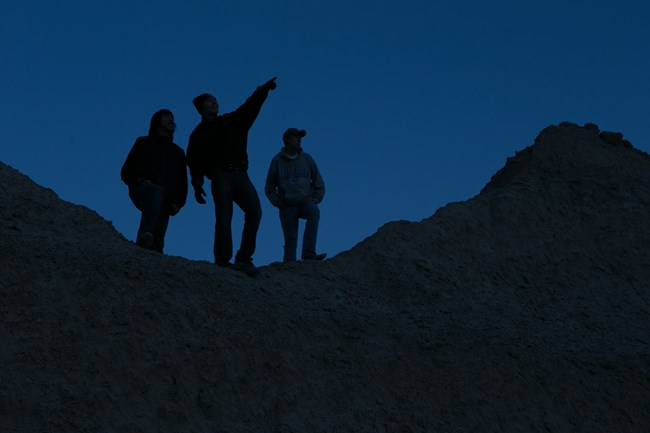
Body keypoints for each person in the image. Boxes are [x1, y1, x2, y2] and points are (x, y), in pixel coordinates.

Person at [187, 77, 277, 275]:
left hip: (241, 174)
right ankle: (222, 260)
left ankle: (244, 258)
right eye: (209, 101)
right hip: (220, 176)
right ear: (201, 109)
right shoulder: (198, 134)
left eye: (215, 100)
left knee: (255, 211)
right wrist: (197, 181)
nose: (214, 102)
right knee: (224, 217)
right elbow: (194, 160)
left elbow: (249, 107)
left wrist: (262, 90)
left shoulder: (232, 120)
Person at [121, 109, 188, 253]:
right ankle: (144, 234)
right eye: (166, 116)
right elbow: (126, 171)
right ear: (157, 121)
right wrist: (139, 180)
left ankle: (153, 256)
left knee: (158, 241)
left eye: (172, 116)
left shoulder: (178, 152)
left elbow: (183, 182)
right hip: (142, 189)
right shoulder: (143, 143)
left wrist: (178, 203)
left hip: (167, 199)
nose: (170, 119)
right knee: (156, 191)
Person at [265, 127, 326, 262]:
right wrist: (279, 202)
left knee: (314, 212)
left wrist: (316, 198)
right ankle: (289, 266)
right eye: (296, 136)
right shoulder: (277, 161)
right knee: (290, 240)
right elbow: (269, 187)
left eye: (300, 137)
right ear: (287, 139)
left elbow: (318, 181)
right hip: (287, 205)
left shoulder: (307, 158)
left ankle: (309, 254)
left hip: (305, 201)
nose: (299, 139)